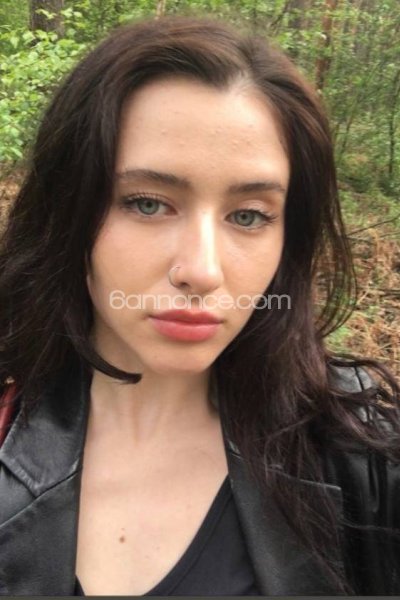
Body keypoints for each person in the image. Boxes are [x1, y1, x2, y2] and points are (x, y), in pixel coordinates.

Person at [0, 15, 399, 597]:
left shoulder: (365, 455)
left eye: (249, 215)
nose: (203, 271)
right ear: (68, 209)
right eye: (147, 203)